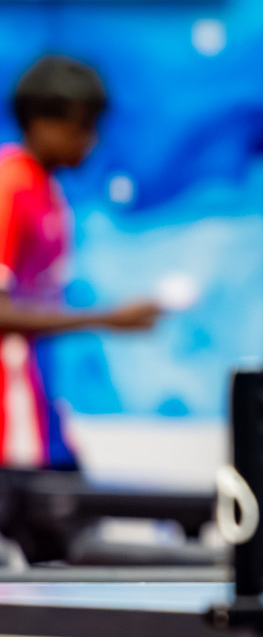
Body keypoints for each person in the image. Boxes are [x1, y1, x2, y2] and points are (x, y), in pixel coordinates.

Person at [0, 57, 160, 469]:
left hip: (35, 400)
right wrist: (108, 319)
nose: (88, 141)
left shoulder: (45, 190)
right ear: (38, 121)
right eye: (79, 126)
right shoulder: (11, 186)